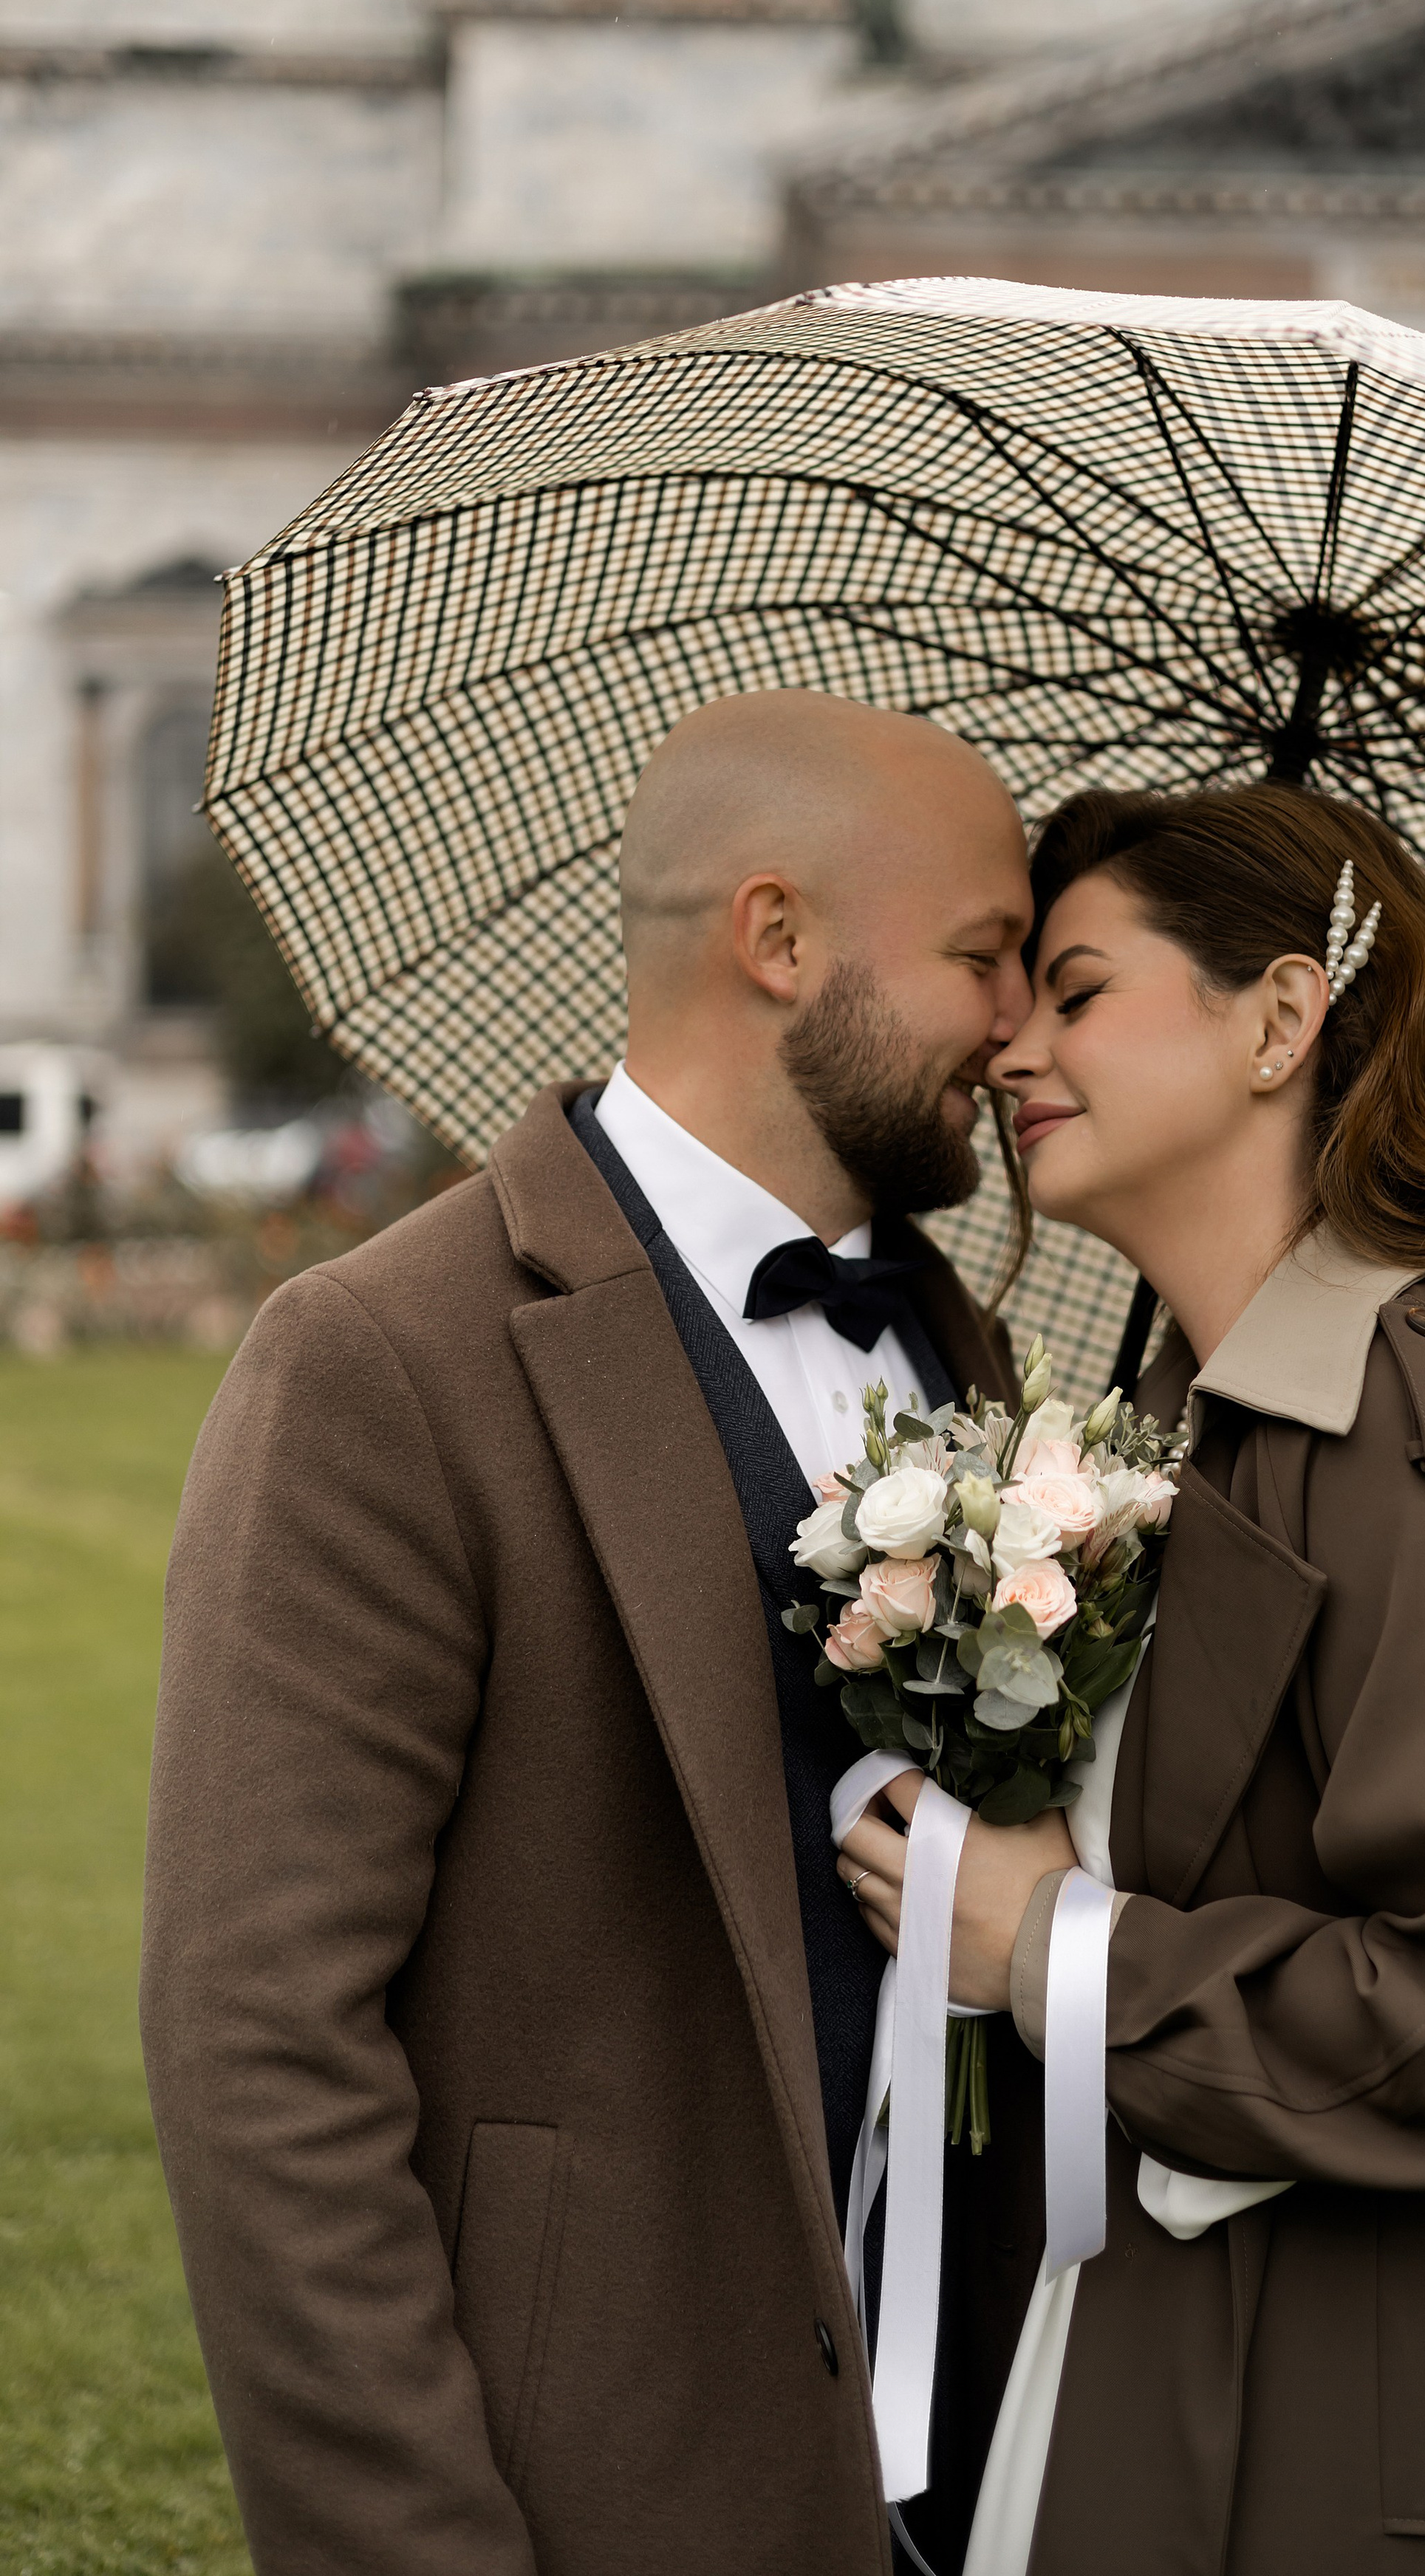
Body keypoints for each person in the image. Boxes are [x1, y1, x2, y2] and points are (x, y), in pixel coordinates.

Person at [140, 691, 1049, 2576]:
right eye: (983, 955)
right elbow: (260, 2046)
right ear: (779, 940)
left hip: (980, 2454)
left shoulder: (957, 1341)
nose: (1017, 1026)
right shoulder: (383, 1361)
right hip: (608, 2482)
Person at [837, 780, 1425, 2575]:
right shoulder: (1191, 1425)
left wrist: (1050, 1953)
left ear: (1279, 1019)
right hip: (1177, 2345)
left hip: (1388, 2431)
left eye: (1078, 989)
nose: (1010, 1040)